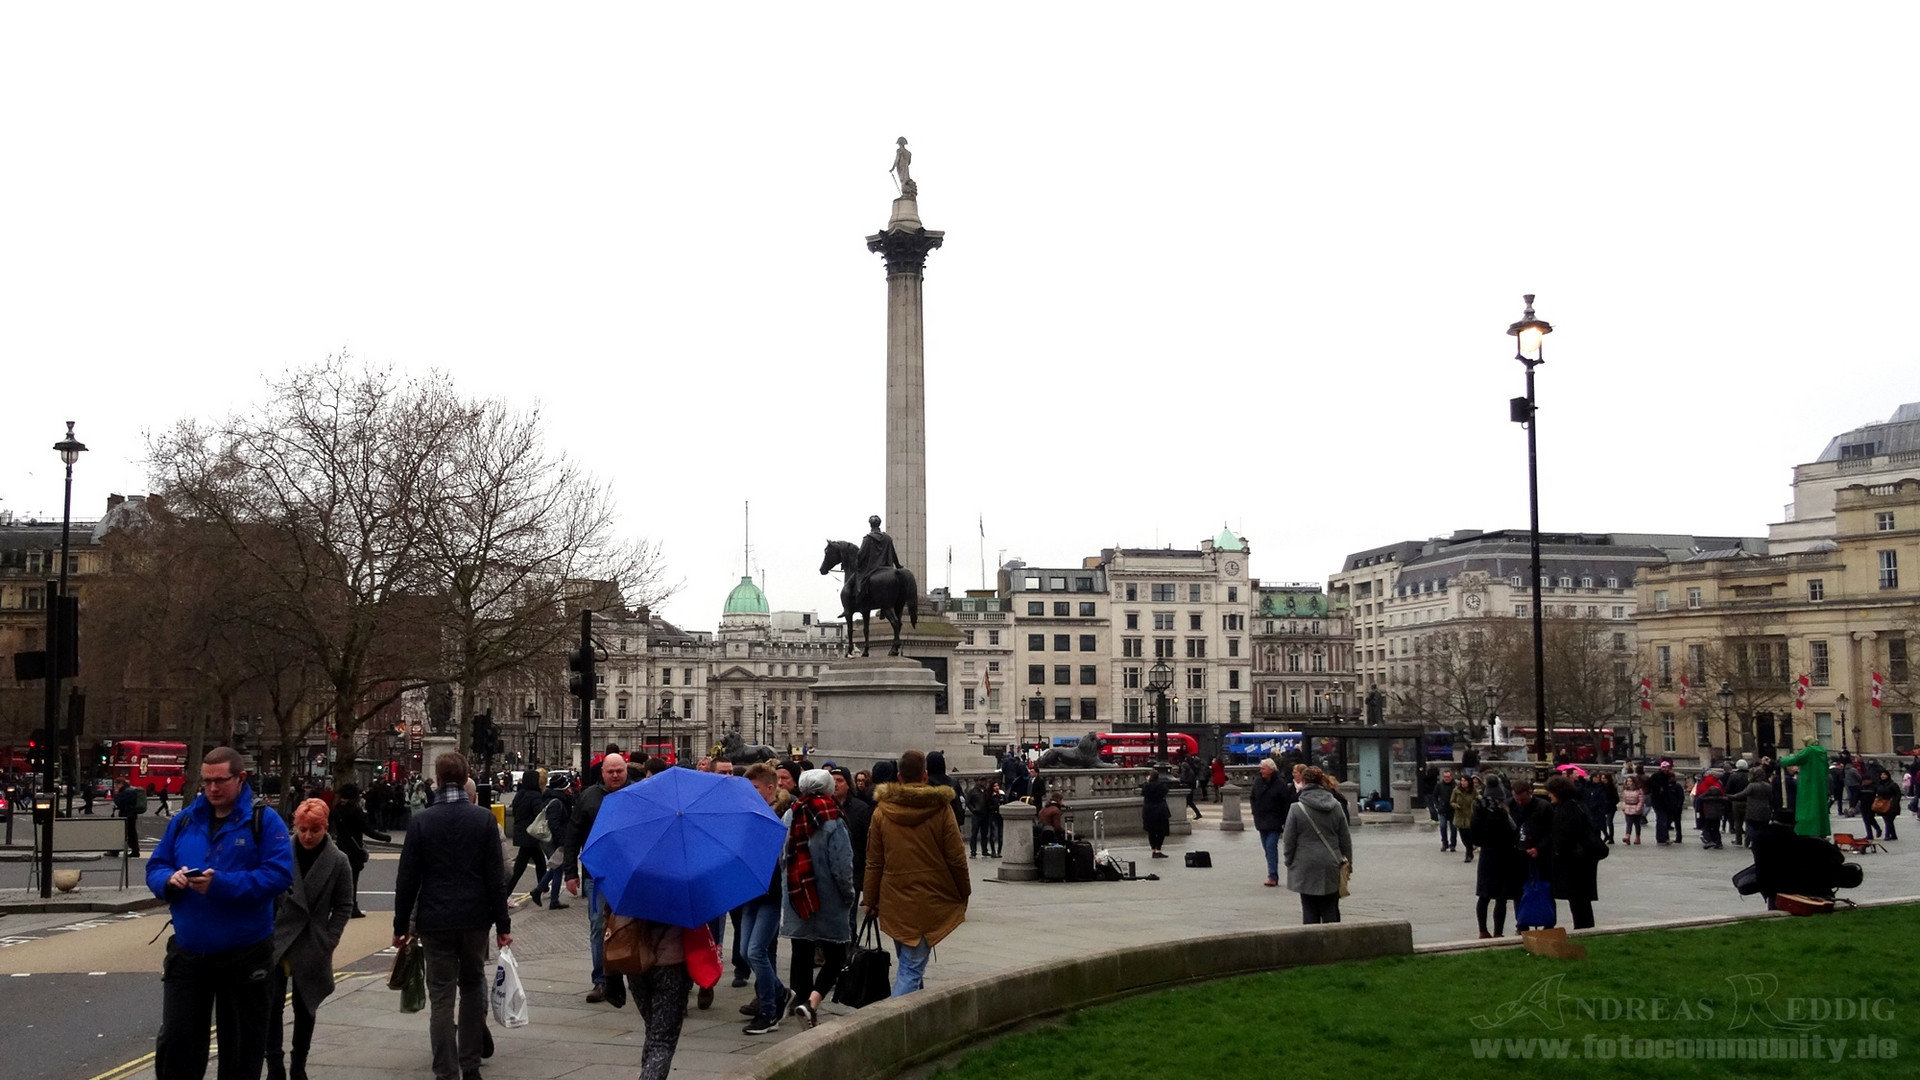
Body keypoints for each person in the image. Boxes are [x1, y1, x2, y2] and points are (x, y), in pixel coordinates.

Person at [146, 746, 295, 1080]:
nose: (212, 788)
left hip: (244, 956)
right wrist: (168, 880)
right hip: (188, 954)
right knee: (177, 1043)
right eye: (207, 781)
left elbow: (279, 875)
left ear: (240, 778)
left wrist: (222, 884)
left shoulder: (264, 821)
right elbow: (156, 864)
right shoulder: (185, 820)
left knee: (241, 1051)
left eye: (220, 781)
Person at [392, 752, 512, 1080]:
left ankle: (446, 1069)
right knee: (473, 987)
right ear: (466, 778)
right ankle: (471, 1065)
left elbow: (407, 879)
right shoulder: (484, 820)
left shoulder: (421, 822)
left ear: (439, 779)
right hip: (475, 920)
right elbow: (495, 877)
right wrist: (503, 925)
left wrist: (400, 926)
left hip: (435, 921)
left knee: (442, 995)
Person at [863, 748, 971, 997]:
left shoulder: (881, 812)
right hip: (930, 898)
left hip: (895, 899)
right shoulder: (941, 809)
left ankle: (913, 1024)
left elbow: (874, 861)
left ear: (899, 778)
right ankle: (892, 1026)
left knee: (909, 962)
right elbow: (956, 857)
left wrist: (870, 899)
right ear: (924, 776)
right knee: (911, 971)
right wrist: (963, 890)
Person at [267, 799, 354, 1080]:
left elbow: (344, 904)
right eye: (302, 829)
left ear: (324, 828)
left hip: (312, 942)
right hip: (278, 940)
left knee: (306, 1007)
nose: (307, 835)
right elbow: (265, 892)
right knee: (271, 1006)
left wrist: (330, 939)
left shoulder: (338, 861)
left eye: (314, 830)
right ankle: (275, 1065)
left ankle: (298, 1065)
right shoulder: (279, 853)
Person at [780, 769, 855, 1029]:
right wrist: (849, 895)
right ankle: (811, 1003)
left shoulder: (791, 813)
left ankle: (800, 999)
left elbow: (782, 858)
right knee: (836, 954)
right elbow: (842, 866)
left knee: (801, 951)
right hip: (828, 898)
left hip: (798, 895)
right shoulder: (833, 817)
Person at [562, 752, 629, 1005]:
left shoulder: (638, 793)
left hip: (630, 874)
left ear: (625, 770)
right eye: (610, 771)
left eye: (619, 771)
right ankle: (601, 980)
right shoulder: (588, 797)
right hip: (597, 874)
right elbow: (573, 835)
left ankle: (632, 973)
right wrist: (570, 872)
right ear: (602, 772)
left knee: (632, 926)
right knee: (598, 927)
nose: (615, 775)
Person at [740, 763, 791, 1034]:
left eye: (755, 788)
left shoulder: (781, 817)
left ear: (770, 789)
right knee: (745, 952)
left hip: (771, 894)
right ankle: (780, 992)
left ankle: (770, 1011)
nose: (750, 793)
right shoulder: (749, 815)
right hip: (751, 892)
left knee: (756, 951)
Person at [1281, 765, 1351, 924]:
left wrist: (1289, 860)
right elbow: (1345, 839)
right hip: (1331, 863)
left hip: (1305, 864)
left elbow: (1289, 840)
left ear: (1304, 782)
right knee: (1331, 908)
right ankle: (1332, 943)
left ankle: (1311, 945)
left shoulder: (1296, 808)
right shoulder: (1336, 806)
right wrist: (1348, 863)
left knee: (1309, 909)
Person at [1532, 775, 1604, 930]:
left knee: (1578, 900)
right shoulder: (1575, 805)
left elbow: (1567, 834)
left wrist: (1559, 852)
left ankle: (1583, 929)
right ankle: (1584, 928)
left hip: (1574, 862)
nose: (1549, 795)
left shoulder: (1568, 809)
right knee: (1580, 900)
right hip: (1579, 860)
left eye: (1551, 792)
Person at [1469, 774, 1522, 938]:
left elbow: (1473, 835)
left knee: (1484, 896)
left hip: (1486, 855)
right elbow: (1514, 832)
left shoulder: (1477, 810)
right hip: (1504, 855)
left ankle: (1483, 930)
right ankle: (1498, 931)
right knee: (1501, 896)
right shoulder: (1501, 813)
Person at [329, 782, 388, 918]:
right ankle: (352, 907)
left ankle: (338, 905)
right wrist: (385, 838)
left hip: (340, 846)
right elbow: (367, 830)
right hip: (354, 849)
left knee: (340, 879)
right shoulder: (356, 811)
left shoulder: (336, 810)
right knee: (352, 880)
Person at [1508, 781, 1553, 933]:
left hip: (1539, 854)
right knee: (1519, 890)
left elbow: (1552, 831)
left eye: (1523, 799)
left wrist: (1539, 848)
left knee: (1543, 887)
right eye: (1517, 799)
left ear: (1530, 793)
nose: (1520, 802)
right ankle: (1522, 922)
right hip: (1517, 854)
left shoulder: (1543, 807)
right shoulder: (1510, 806)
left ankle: (1548, 921)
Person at [1249, 758, 1294, 887]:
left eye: (1263, 768)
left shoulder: (1280, 784)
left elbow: (1286, 803)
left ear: (1271, 769)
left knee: (1271, 846)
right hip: (1261, 820)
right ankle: (1272, 872)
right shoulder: (1258, 782)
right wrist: (1255, 810)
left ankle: (1272, 876)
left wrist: (1285, 820)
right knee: (1267, 849)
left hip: (1275, 821)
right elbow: (1252, 797)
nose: (1261, 771)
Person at [530, 774, 573, 910]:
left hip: (551, 839)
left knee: (556, 867)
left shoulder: (553, 799)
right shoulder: (556, 802)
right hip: (553, 840)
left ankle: (539, 891)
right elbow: (554, 825)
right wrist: (561, 843)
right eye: (567, 787)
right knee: (558, 868)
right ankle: (552, 900)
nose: (569, 789)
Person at [503, 771, 547, 900]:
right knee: (520, 868)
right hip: (531, 835)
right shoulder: (535, 795)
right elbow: (538, 813)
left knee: (538, 862)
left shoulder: (519, 794)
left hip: (521, 833)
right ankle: (505, 894)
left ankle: (542, 888)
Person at [1777, 743, 1832, 839]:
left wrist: (1781, 761)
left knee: (1808, 806)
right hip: (1819, 783)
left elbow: (1796, 759)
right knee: (1819, 806)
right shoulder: (1822, 753)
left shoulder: (1809, 751)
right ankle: (1821, 829)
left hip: (1809, 782)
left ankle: (1808, 829)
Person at [1645, 760, 1682, 844]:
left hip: (1665, 802)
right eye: (1664, 768)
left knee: (1664, 820)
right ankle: (1661, 838)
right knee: (1662, 820)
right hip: (1659, 802)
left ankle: (1664, 837)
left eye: (1667, 768)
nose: (1666, 769)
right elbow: (1650, 785)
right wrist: (1659, 788)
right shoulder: (1657, 776)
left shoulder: (1667, 777)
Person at [1141, 765, 1173, 859]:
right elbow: (1166, 792)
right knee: (1161, 831)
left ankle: (1153, 850)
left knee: (1151, 831)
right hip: (1160, 809)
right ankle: (1158, 849)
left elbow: (1143, 793)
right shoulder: (1161, 785)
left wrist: (1147, 782)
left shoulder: (1146, 786)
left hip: (1148, 810)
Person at [1693, 771, 1729, 850]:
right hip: (1718, 811)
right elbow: (1723, 796)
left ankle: (1709, 840)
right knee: (1716, 827)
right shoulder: (1718, 784)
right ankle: (1718, 842)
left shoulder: (1703, 784)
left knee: (1706, 826)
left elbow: (1699, 796)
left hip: (1706, 809)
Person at [1450, 774, 1479, 863]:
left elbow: (1478, 800)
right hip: (1460, 816)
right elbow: (1452, 801)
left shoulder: (1473, 791)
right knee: (1463, 837)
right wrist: (1455, 805)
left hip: (1470, 816)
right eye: (1462, 781)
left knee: (1469, 835)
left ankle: (1468, 853)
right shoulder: (1456, 790)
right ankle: (1469, 850)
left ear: (1469, 782)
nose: (1463, 783)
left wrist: (1475, 805)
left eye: (1465, 781)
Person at [1867, 768, 1902, 841]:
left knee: (1888, 820)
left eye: (1884, 774)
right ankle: (1893, 835)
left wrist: (1894, 802)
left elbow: (1898, 794)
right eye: (1881, 775)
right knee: (1888, 820)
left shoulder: (1893, 784)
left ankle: (1887, 835)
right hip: (1882, 805)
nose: (1882, 776)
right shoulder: (1879, 784)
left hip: (1891, 805)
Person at [964, 776, 994, 858]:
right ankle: (973, 851)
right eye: (981, 780)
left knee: (984, 834)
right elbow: (968, 802)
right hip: (976, 815)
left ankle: (984, 850)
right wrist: (973, 809)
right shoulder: (972, 791)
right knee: (974, 833)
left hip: (985, 814)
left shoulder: (987, 791)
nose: (983, 782)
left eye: (984, 780)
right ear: (977, 781)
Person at [113, 777, 142, 857]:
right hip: (132, 815)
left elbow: (119, 802)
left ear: (120, 784)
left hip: (126, 815)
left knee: (121, 833)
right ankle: (135, 851)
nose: (115, 786)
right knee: (131, 833)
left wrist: (116, 794)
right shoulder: (130, 790)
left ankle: (115, 851)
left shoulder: (125, 792)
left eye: (116, 784)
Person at [1434, 769, 1459, 852]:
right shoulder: (1439, 785)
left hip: (1453, 810)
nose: (1446, 778)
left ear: (1451, 777)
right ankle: (1444, 843)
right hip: (1443, 809)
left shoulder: (1456, 785)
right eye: (1445, 777)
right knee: (1442, 826)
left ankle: (1453, 844)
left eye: (1448, 777)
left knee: (1454, 829)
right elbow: (1434, 796)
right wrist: (1438, 805)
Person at [1619, 774, 1646, 845]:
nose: (1629, 783)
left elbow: (1641, 800)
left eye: (1630, 781)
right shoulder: (1625, 790)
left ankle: (1637, 837)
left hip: (1636, 808)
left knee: (1637, 824)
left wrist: (1638, 808)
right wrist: (1623, 807)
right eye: (1628, 781)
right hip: (1628, 808)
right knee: (1629, 823)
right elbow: (1624, 800)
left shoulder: (1639, 790)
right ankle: (1627, 836)